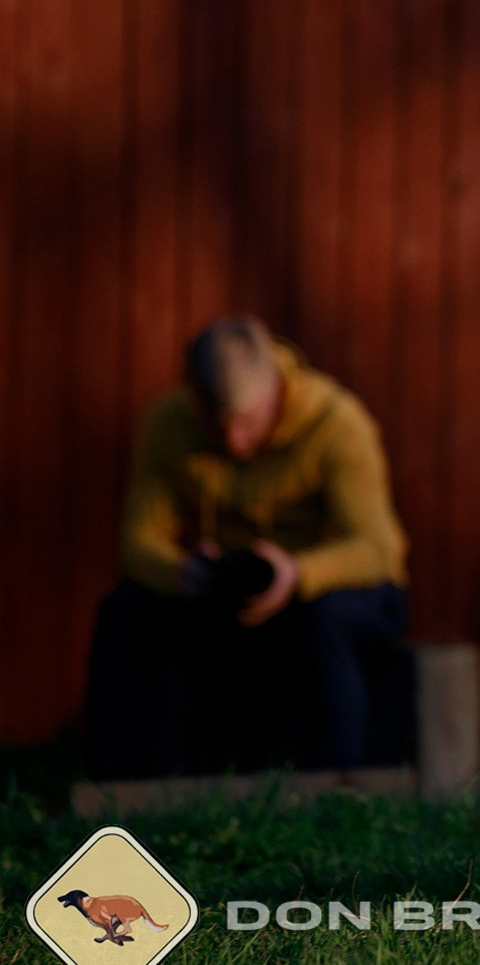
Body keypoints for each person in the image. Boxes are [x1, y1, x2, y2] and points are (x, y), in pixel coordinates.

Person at [83, 316, 412, 778]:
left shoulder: (336, 422)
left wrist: (296, 574)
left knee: (327, 621)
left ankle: (338, 790)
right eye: (217, 427)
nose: (234, 443)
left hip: (319, 590)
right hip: (220, 594)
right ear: (193, 397)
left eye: (248, 423)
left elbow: (378, 551)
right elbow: (138, 544)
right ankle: (116, 788)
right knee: (125, 609)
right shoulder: (167, 425)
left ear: (276, 390)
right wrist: (184, 574)